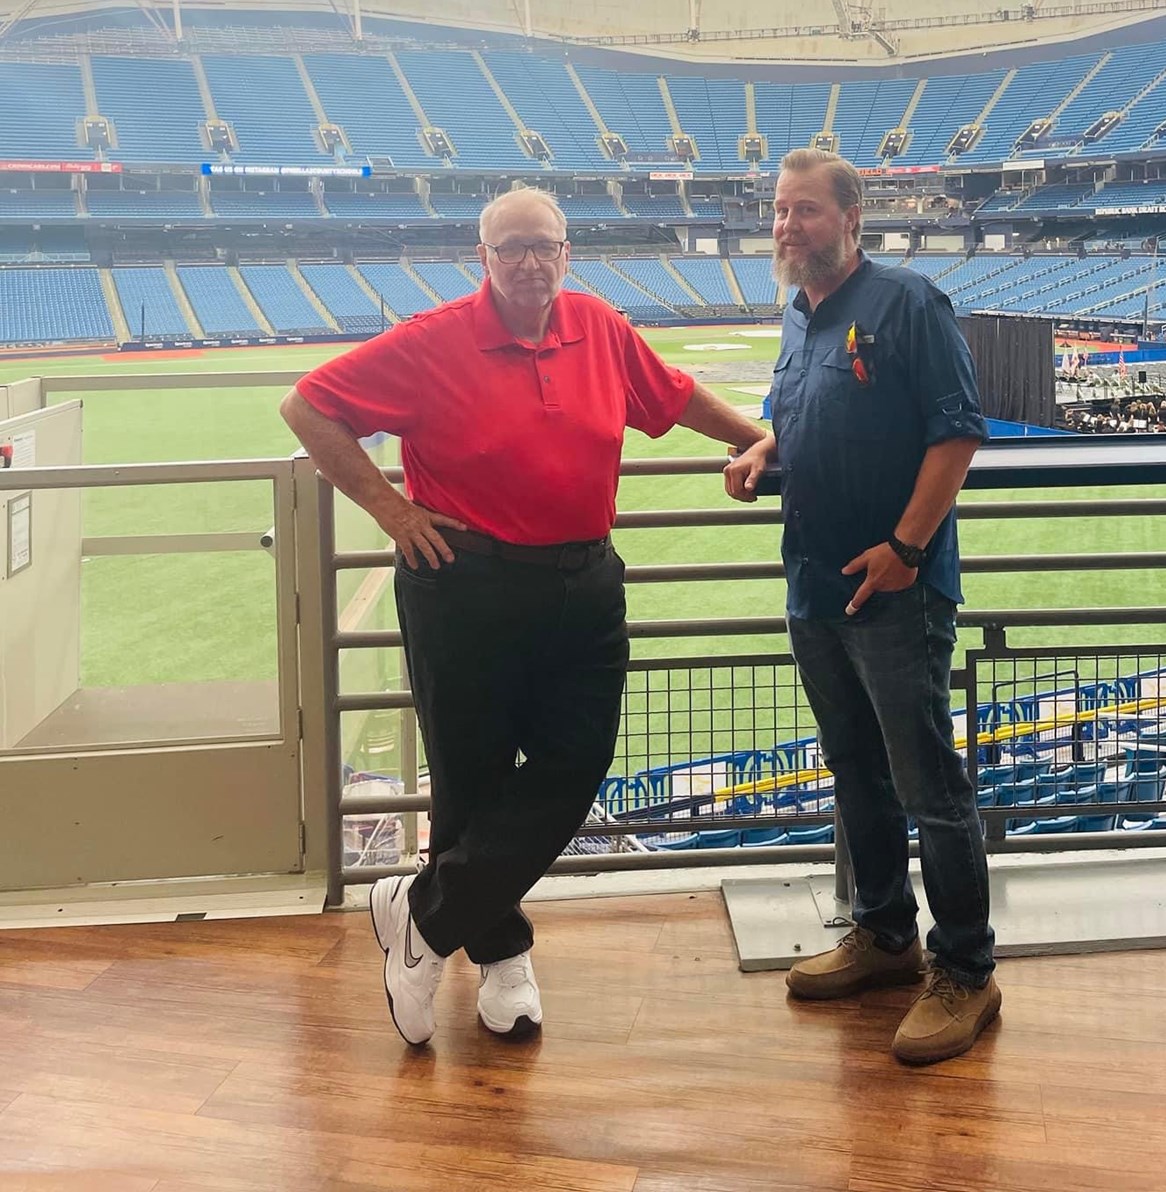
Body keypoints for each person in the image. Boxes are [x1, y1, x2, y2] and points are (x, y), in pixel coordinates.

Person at [282, 189, 766, 1048]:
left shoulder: (599, 326)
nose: (530, 263)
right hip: (464, 584)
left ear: (567, 251)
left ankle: (421, 916)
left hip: (584, 581)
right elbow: (310, 406)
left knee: (574, 767)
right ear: (484, 258)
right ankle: (502, 959)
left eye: (543, 246)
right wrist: (392, 512)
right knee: (471, 780)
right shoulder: (434, 340)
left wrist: (757, 439)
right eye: (512, 249)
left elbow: (674, 398)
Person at [725, 149, 998, 1067]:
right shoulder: (799, 318)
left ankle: (966, 970)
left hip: (895, 592)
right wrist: (763, 450)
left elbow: (957, 430)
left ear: (851, 218)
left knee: (928, 784)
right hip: (813, 585)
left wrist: (908, 550)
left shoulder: (907, 303)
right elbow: (796, 415)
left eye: (803, 211)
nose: (786, 227)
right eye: (778, 212)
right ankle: (886, 936)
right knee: (855, 771)